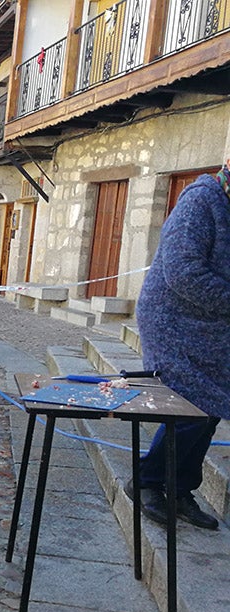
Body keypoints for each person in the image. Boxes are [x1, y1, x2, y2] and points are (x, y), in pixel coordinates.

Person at [122, 163, 229, 531]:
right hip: (173, 320)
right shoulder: (201, 200)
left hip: (213, 325)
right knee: (189, 406)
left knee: (212, 407)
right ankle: (146, 480)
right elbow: (183, 271)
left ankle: (181, 489)